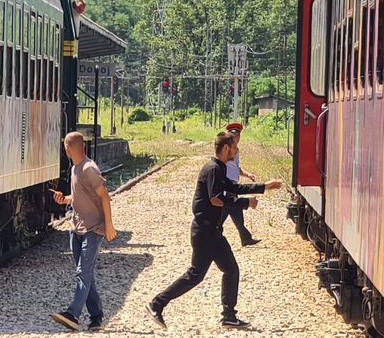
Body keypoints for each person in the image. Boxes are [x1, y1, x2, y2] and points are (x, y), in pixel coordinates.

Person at [145, 132, 283, 329]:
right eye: (234, 147)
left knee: (231, 269)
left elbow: (233, 188)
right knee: (195, 274)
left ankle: (228, 316)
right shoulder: (213, 169)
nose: (236, 150)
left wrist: (264, 187)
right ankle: (156, 303)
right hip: (204, 232)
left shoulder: (219, 168)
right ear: (226, 148)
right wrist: (246, 203)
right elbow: (216, 199)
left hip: (213, 232)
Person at [49, 131, 117, 332]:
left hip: (93, 229)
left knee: (82, 272)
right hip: (76, 228)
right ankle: (96, 316)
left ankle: (73, 314)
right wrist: (65, 199)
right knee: (86, 274)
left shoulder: (89, 169)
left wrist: (109, 226)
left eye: (65, 147)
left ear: (69, 148)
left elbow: (105, 197)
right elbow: (79, 195)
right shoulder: (75, 168)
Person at [221, 122, 261, 246]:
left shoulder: (236, 150)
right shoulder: (225, 149)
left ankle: (245, 237)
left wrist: (248, 175)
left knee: (234, 210)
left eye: (237, 136)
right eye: (233, 136)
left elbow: (236, 168)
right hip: (226, 184)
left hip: (233, 184)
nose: (236, 138)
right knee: (227, 209)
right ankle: (245, 237)